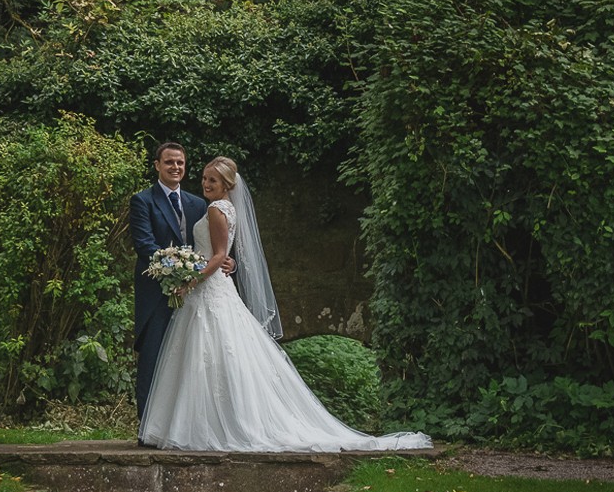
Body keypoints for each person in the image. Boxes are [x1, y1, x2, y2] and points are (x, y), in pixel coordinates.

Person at [139, 156, 433, 452]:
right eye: (204, 178)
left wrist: (190, 280)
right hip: (213, 290)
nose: (205, 184)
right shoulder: (223, 207)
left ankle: (204, 426)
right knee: (215, 356)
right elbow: (220, 253)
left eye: (212, 180)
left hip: (208, 289)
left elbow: (216, 256)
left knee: (207, 355)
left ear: (228, 184)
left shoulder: (216, 209)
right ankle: (214, 422)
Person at [128, 142, 231, 437]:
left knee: (188, 359)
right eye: (170, 162)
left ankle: (184, 427)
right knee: (154, 357)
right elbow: (145, 246)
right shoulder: (142, 201)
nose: (176, 168)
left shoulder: (199, 203)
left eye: (181, 163)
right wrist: (179, 273)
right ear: (158, 165)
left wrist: (225, 262)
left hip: (196, 293)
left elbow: (213, 245)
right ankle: (148, 429)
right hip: (157, 293)